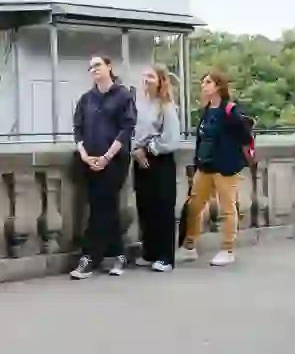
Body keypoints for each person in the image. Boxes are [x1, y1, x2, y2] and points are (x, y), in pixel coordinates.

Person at [70, 55, 137, 280]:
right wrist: (85, 155)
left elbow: (126, 129)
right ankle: (118, 253)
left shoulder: (123, 96)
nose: (94, 69)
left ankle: (89, 257)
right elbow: (78, 128)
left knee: (101, 207)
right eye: (90, 67)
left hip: (114, 161)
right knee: (105, 207)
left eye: (98, 65)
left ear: (109, 67)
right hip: (89, 160)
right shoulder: (86, 99)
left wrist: (107, 157)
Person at [176, 70, 252, 267]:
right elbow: (202, 139)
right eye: (203, 82)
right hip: (205, 166)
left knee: (227, 209)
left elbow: (244, 135)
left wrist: (230, 152)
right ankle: (189, 246)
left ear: (218, 86)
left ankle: (227, 249)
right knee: (194, 206)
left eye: (208, 82)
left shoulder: (230, 110)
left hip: (225, 168)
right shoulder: (207, 110)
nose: (203, 85)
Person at [132, 65, 182, 273]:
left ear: (161, 80)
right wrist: (135, 150)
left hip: (160, 160)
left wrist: (148, 149)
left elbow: (171, 138)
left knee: (162, 208)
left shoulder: (166, 106)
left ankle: (165, 257)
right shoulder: (140, 104)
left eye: (151, 76)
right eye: (144, 76)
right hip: (140, 159)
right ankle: (149, 251)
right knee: (145, 207)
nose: (146, 79)